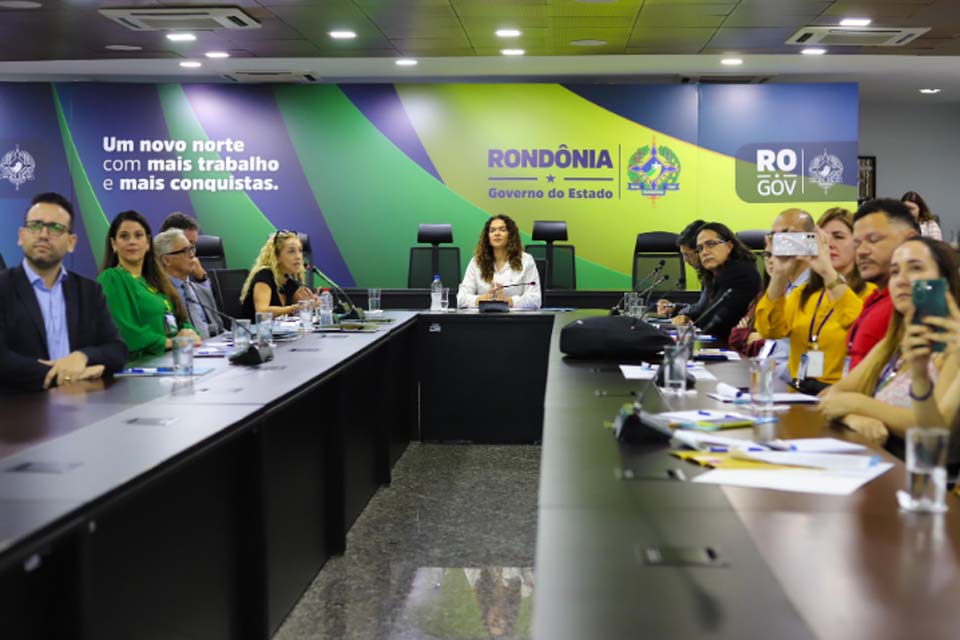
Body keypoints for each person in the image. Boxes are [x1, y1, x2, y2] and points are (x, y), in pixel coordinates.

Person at [820, 237, 960, 443]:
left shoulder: (952, 347)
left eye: (916, 268)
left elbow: (936, 429)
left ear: (944, 282)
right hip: (875, 455)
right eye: (894, 272)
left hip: (918, 459)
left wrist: (858, 404)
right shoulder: (891, 344)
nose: (901, 280)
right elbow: (830, 397)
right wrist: (854, 418)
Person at [0, 193, 127, 390]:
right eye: (35, 225)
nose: (43, 234)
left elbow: (117, 350)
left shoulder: (89, 291)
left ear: (71, 242)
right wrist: (67, 375)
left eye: (55, 228)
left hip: (83, 402)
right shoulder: (4, 288)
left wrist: (82, 357)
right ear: (21, 236)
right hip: (21, 404)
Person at [754, 208, 875, 390]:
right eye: (821, 238)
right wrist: (779, 274)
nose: (829, 244)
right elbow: (770, 330)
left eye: (838, 237)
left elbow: (858, 329)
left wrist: (828, 272)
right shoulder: (803, 294)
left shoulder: (870, 293)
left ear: (857, 244)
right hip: (799, 392)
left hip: (843, 393)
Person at [98, 210, 200, 360]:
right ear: (114, 244)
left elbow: (180, 320)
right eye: (124, 236)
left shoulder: (155, 279)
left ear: (147, 243)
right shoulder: (112, 278)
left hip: (172, 360)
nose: (132, 241)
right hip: (137, 367)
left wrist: (189, 333)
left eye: (138, 235)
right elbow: (127, 332)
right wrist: (172, 343)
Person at [846, 198, 920, 370]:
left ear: (909, 239)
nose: (862, 251)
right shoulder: (875, 298)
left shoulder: (908, 305)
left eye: (873, 240)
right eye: (857, 244)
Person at [671, 222, 760, 341]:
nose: (704, 252)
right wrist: (686, 315)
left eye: (711, 244)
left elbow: (713, 323)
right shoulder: (714, 274)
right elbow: (701, 310)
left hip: (731, 346)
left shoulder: (741, 273)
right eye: (700, 248)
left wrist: (690, 319)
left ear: (729, 246)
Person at [457, 214, 541, 309]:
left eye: (502, 230)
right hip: (484, 317)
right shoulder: (477, 262)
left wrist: (508, 301)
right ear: (487, 237)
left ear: (511, 235)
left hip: (514, 317)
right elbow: (461, 299)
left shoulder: (526, 260)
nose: (497, 233)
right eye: (492, 230)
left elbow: (535, 299)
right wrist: (482, 299)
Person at [154, 228, 225, 339]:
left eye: (192, 249)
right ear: (166, 260)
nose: (192, 255)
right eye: (185, 251)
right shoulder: (156, 295)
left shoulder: (202, 291)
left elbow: (220, 329)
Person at [240, 230, 316, 320]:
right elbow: (262, 312)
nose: (298, 256)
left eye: (300, 251)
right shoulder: (264, 275)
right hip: (254, 328)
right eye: (291, 251)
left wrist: (312, 303)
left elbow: (301, 304)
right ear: (277, 257)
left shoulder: (290, 280)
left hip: (279, 329)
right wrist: (293, 308)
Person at [728, 237, 774, 358]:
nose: (771, 260)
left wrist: (752, 338)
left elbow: (777, 347)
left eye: (778, 255)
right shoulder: (762, 296)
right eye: (768, 255)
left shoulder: (796, 295)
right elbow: (735, 338)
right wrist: (757, 338)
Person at [656, 219, 705, 317]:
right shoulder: (707, 275)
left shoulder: (718, 274)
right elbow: (700, 307)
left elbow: (701, 311)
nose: (685, 260)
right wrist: (674, 307)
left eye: (687, 255)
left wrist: (680, 311)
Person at [159, 211, 210, 284]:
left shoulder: (195, 272)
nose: (192, 253)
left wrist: (201, 278)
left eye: (193, 245)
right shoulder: (152, 279)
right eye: (187, 244)